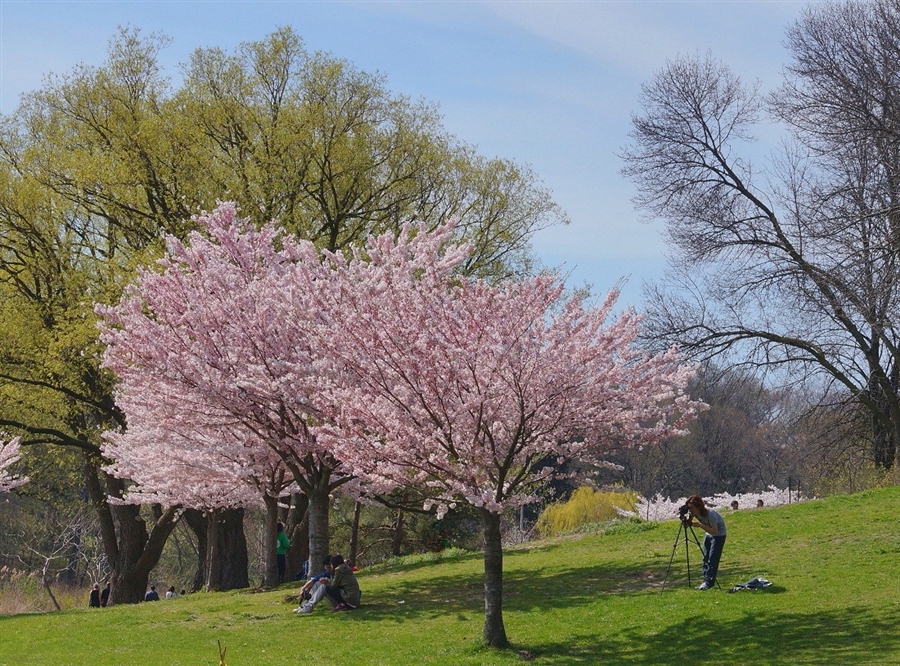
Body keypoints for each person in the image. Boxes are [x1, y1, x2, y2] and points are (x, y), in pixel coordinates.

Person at [685, 494, 726, 591]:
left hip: (718, 535)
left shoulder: (710, 514)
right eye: (688, 507)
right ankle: (705, 580)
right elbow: (688, 524)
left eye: (691, 507)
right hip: (708, 534)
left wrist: (699, 525)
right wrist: (686, 521)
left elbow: (714, 531)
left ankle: (709, 582)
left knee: (712, 559)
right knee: (705, 557)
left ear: (698, 506)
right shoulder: (693, 513)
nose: (690, 510)